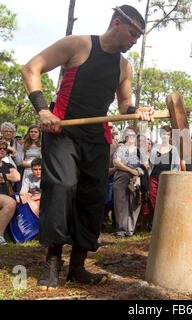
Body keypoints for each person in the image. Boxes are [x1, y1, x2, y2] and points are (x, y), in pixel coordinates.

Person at [21, 4, 153, 289]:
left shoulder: (123, 66)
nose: (134, 41)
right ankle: (53, 261)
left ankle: (77, 266)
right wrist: (44, 110)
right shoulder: (78, 44)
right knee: (63, 186)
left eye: (138, 37)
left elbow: (124, 104)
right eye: (132, 34)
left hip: (97, 138)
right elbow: (31, 68)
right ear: (117, 23)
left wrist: (137, 110)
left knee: (92, 196)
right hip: (62, 131)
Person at [113, 127, 149, 238]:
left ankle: (130, 230)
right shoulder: (120, 149)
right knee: (120, 203)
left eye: (133, 135)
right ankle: (121, 230)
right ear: (125, 137)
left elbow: (146, 164)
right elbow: (116, 163)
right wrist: (130, 170)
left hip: (136, 178)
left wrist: (137, 172)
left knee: (135, 203)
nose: (131, 137)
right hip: (122, 176)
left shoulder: (140, 151)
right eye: (129, 135)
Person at [148, 125, 180, 231]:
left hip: (166, 180)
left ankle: (164, 225)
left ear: (170, 136)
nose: (165, 136)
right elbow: (151, 165)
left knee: (165, 202)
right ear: (160, 135)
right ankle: (154, 225)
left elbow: (176, 166)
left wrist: (171, 176)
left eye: (167, 134)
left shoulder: (174, 149)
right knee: (154, 203)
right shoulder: (155, 148)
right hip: (154, 178)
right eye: (163, 134)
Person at [0, 140, 21, 245]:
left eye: (5, 149)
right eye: (0, 148)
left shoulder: (7, 165)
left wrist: (3, 176)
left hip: (4, 195)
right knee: (9, 202)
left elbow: (17, 177)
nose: (2, 150)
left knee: (11, 202)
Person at [1, 122, 24, 192]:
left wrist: (13, 151)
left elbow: (19, 162)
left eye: (10, 131)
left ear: (13, 133)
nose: (8, 133)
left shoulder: (17, 145)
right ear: (1, 132)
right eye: (6, 131)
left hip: (12, 170)